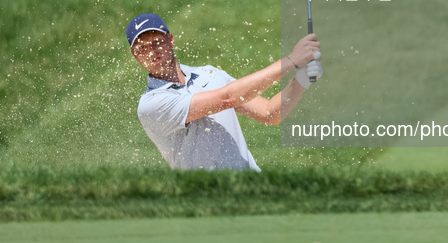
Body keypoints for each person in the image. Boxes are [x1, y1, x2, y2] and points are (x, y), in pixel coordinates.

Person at [126, 13, 322, 171]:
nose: (151, 52)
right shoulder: (151, 104)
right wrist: (291, 61)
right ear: (135, 56)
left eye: (156, 42)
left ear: (171, 40)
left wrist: (301, 79)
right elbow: (227, 98)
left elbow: (270, 113)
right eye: (141, 48)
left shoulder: (209, 74)